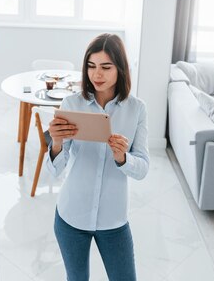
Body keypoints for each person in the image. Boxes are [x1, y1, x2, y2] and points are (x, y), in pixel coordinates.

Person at [44, 33, 149, 281]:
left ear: (120, 69)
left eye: (105, 67)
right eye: (91, 66)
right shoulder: (71, 103)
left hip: (113, 221)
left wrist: (123, 158)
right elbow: (55, 170)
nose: (96, 75)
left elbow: (143, 168)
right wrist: (57, 143)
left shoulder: (137, 109)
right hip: (71, 216)